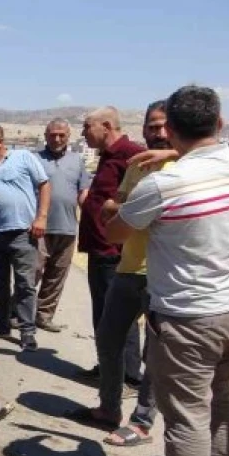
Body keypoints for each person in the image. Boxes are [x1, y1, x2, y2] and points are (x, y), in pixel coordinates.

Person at [111, 86, 229, 456]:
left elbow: (115, 234)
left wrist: (123, 197)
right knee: (222, 401)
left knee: (187, 416)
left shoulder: (164, 184)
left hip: (189, 317)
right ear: (219, 124)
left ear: (171, 131)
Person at [68, 101, 173, 443]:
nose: (156, 133)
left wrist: (122, 209)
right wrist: (119, 209)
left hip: (162, 275)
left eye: (163, 126)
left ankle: (142, 423)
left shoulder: (187, 165)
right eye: (151, 126)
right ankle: (109, 408)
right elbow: (118, 212)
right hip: (127, 265)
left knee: (154, 355)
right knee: (108, 339)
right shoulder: (136, 165)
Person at [78, 106, 144, 381]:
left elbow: (139, 199)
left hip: (112, 251)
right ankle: (110, 366)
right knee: (104, 315)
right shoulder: (107, 157)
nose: (83, 133)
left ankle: (127, 374)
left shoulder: (131, 155)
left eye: (86, 126)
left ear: (106, 126)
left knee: (118, 317)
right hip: (99, 249)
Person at [0, 124, 50, 352]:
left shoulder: (23, 157)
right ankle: (1, 325)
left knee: (25, 283)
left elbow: (44, 185)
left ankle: (27, 331)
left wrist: (41, 217)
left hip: (22, 232)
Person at [33, 119, 90, 332]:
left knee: (56, 276)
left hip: (67, 228)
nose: (57, 139)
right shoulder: (34, 159)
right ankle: (18, 312)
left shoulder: (77, 160)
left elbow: (83, 192)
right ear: (45, 135)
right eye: (52, 135)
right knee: (33, 272)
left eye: (62, 135)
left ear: (69, 136)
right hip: (39, 229)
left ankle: (44, 316)